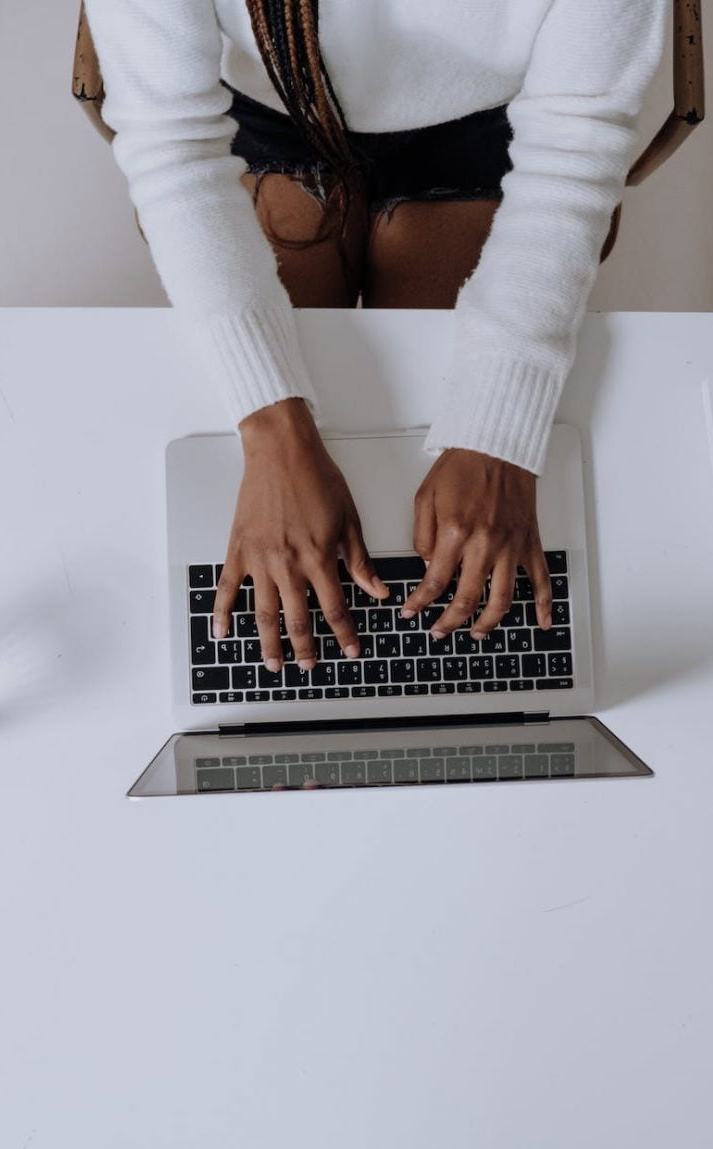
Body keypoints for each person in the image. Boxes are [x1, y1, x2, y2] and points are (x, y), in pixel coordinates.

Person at [83, 0, 665, 674]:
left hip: (488, 125)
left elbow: (576, 140)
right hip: (273, 111)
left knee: (431, 528)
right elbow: (171, 140)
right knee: (272, 529)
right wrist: (272, 432)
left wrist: (496, 436)